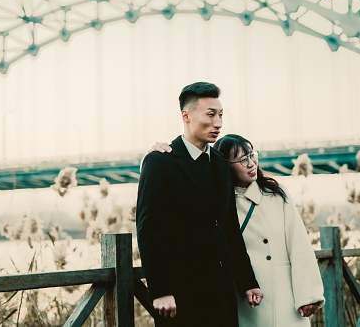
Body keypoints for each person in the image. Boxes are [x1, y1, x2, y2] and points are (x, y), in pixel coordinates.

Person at [152, 134, 325, 326]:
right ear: (224, 164)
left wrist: (308, 295)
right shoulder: (216, 199)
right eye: (242, 160)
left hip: (283, 296)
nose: (251, 163)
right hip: (243, 298)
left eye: (252, 155)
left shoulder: (276, 194)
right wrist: (156, 154)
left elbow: (299, 244)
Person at [136, 82, 263, 327]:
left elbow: (229, 228)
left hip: (222, 294)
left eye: (221, 115)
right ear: (186, 115)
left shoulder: (219, 162)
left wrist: (248, 282)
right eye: (210, 114)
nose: (219, 123)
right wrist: (160, 289)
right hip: (179, 297)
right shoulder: (159, 162)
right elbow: (148, 229)